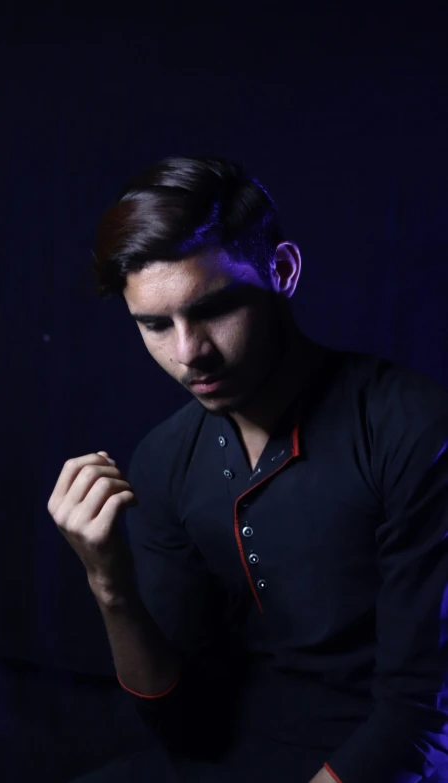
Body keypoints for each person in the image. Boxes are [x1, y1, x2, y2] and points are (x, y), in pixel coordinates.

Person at [47, 156, 448, 783]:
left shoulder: (413, 430)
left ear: (282, 271)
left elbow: (420, 717)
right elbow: (182, 723)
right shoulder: (162, 459)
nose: (189, 353)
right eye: (155, 325)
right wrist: (109, 583)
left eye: (214, 308)